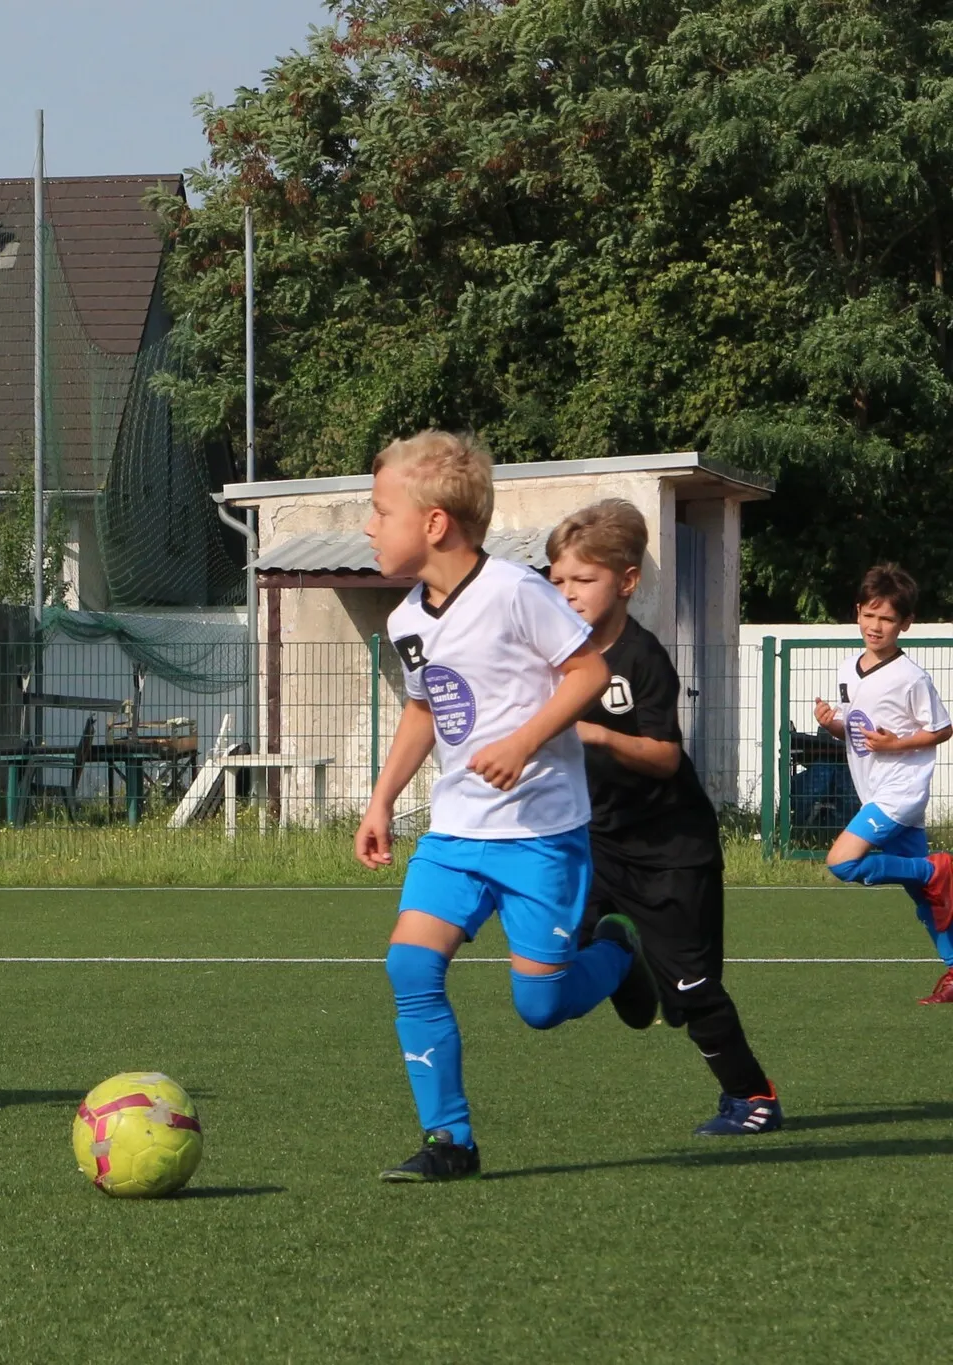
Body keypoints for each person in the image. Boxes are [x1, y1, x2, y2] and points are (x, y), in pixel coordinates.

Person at [355, 430, 644, 1183]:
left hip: (539, 833)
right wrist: (382, 801)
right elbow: (424, 709)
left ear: (434, 523)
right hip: (455, 832)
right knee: (409, 965)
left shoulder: (516, 591)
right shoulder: (406, 621)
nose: (368, 525)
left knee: (541, 1005)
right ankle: (450, 1141)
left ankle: (617, 954)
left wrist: (523, 742)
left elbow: (588, 673)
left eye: (380, 510)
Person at [547, 500, 780, 1136]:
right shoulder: (546, 655)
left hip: (672, 850)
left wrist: (595, 734)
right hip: (597, 843)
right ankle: (622, 960)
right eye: (557, 579)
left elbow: (664, 756)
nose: (567, 593)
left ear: (626, 582)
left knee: (692, 992)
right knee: (553, 963)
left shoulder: (641, 657)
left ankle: (754, 1098)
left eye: (584, 579)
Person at [814, 563, 953, 1003]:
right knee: (926, 898)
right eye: (870, 615)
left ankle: (935, 868)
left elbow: (943, 729)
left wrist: (898, 745)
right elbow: (857, 732)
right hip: (873, 789)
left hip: (900, 790)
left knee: (842, 862)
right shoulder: (848, 668)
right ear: (857, 611)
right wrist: (832, 725)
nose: (876, 626)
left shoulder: (911, 677)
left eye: (888, 618)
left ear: (905, 624)